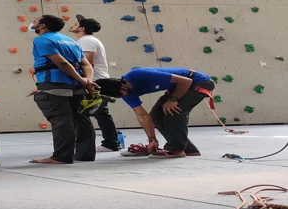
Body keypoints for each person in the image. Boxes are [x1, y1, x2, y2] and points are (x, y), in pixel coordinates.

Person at [96, 68, 216, 158]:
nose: (124, 96)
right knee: (156, 115)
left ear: (122, 84)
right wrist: (152, 140)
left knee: (172, 111)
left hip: (198, 82)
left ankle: (176, 149)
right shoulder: (126, 94)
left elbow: (186, 81)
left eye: (122, 94)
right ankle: (189, 150)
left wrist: (173, 99)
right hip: (178, 87)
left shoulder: (138, 75)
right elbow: (142, 116)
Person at [29, 15, 97, 165]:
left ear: (43, 26)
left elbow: (62, 63)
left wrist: (82, 81)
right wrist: (87, 81)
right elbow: (86, 65)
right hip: (77, 87)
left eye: (37, 20)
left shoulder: (42, 40)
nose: (33, 21)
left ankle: (61, 157)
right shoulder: (71, 41)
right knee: (81, 119)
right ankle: (85, 154)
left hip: (54, 84)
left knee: (61, 121)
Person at [70, 15, 119, 152]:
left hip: (95, 81)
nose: (72, 25)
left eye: (75, 23)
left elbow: (87, 63)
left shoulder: (86, 41)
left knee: (100, 113)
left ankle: (110, 143)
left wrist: (85, 81)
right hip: (96, 80)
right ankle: (110, 142)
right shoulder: (87, 40)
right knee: (99, 113)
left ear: (82, 28)